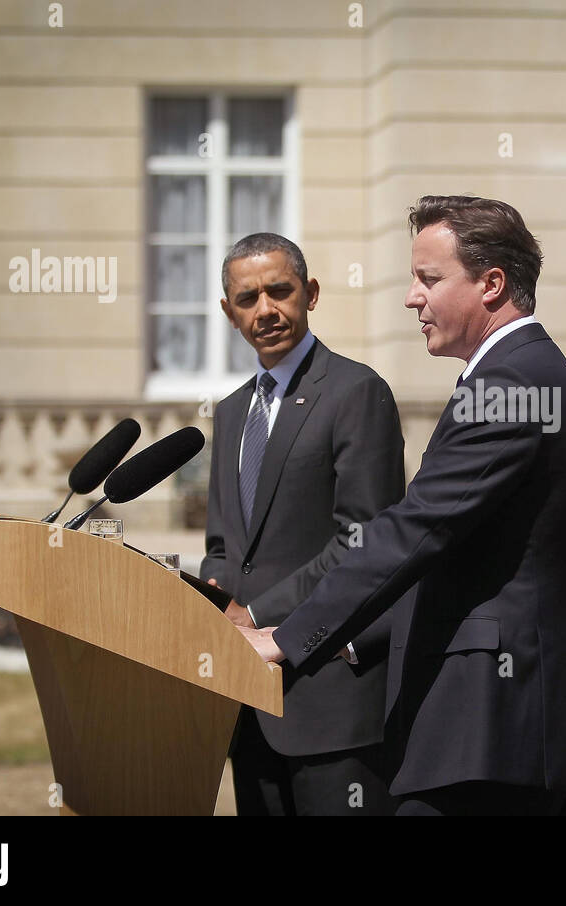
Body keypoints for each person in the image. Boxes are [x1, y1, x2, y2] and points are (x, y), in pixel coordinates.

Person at [239, 196, 566, 815]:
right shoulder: (522, 374)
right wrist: (347, 640)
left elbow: (414, 529)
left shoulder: (511, 386)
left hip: (495, 727)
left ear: (491, 284)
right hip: (507, 729)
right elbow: (456, 554)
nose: (412, 297)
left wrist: (287, 639)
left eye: (429, 279)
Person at [201, 232, 405, 816]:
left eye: (279, 291)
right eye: (247, 299)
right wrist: (212, 603)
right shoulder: (232, 411)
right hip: (247, 702)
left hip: (332, 702)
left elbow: (362, 539)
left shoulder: (356, 392)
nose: (265, 310)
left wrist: (257, 612)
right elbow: (223, 545)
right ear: (228, 313)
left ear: (310, 293)